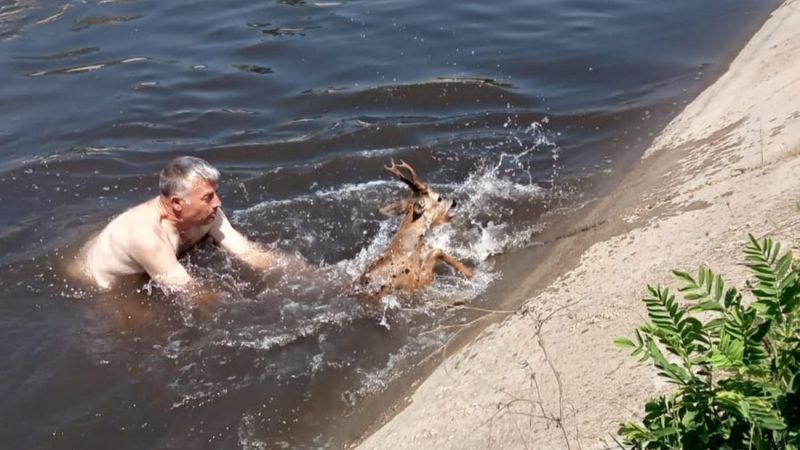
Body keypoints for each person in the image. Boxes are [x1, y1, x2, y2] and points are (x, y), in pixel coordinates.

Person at [76, 156, 287, 291]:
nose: (218, 203)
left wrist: (308, 275)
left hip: (150, 258)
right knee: (140, 325)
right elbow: (192, 293)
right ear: (177, 203)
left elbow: (250, 253)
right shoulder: (148, 238)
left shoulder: (207, 214)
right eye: (208, 197)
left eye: (216, 194)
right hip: (100, 279)